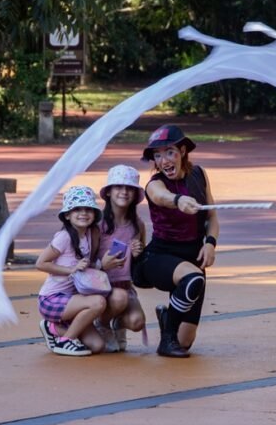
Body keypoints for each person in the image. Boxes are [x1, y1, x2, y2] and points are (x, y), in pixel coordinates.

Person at [132, 125, 219, 357]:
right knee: (193, 278)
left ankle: (167, 318)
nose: (163, 161)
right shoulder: (155, 184)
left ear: (182, 151)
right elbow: (161, 196)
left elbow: (211, 216)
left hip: (192, 256)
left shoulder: (199, 174)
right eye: (157, 155)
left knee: (185, 342)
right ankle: (166, 340)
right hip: (159, 257)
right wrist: (178, 200)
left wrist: (210, 243)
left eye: (169, 152)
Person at [35, 186, 128, 356]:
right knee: (98, 302)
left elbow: (87, 268)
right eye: (77, 209)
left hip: (74, 301)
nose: (83, 213)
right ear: (67, 215)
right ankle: (66, 340)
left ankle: (53, 328)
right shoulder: (64, 237)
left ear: (94, 214)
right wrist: (71, 269)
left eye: (88, 209)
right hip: (52, 300)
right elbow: (41, 263)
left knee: (97, 346)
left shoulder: (90, 234)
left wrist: (103, 264)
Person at [96, 165, 148, 352]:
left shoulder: (138, 225)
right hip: (99, 287)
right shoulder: (98, 224)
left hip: (125, 285)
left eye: (129, 188)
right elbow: (83, 258)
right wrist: (102, 265)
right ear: (108, 192)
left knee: (137, 321)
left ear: (135, 194)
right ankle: (101, 324)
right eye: (118, 187)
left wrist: (138, 255)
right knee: (119, 298)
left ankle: (117, 323)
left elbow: (139, 267)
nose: (124, 192)